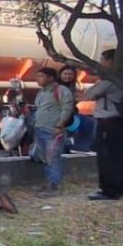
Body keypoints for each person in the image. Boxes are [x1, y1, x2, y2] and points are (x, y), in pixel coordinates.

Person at [83, 48, 123, 200]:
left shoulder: (110, 80)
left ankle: (108, 190)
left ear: (110, 61)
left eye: (103, 60)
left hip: (109, 122)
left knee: (107, 156)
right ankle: (119, 188)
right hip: (122, 121)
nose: (100, 63)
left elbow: (89, 94)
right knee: (120, 156)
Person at [30, 67, 73, 198]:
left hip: (53, 131)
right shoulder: (41, 92)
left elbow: (67, 108)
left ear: (51, 78)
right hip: (40, 129)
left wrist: (59, 126)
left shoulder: (61, 90)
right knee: (44, 158)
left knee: (53, 158)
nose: (38, 79)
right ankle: (49, 182)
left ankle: (54, 185)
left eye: (42, 76)